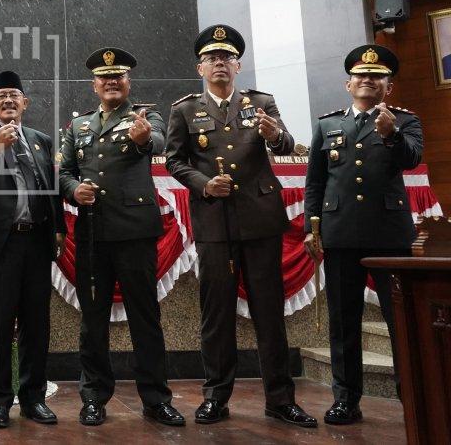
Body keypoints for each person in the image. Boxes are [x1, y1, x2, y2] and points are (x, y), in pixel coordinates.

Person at [164, 25, 316, 428]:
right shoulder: (184, 110)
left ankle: (280, 399)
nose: (220, 63)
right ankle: (216, 396)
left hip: (260, 219)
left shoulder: (261, 102)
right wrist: (203, 184)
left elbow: (285, 145)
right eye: (212, 58)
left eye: (227, 57)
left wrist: (276, 133)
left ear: (238, 65)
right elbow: (174, 161)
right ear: (200, 66)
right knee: (216, 314)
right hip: (214, 221)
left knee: (269, 311)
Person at [59, 48, 184, 427]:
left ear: (128, 82)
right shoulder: (78, 126)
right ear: (94, 85)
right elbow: (64, 171)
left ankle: (155, 399)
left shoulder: (147, 115)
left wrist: (145, 139)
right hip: (93, 234)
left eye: (118, 77)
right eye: (104, 78)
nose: (111, 83)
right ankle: (94, 396)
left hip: (134, 233)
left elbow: (158, 143)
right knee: (92, 320)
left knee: (145, 318)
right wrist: (73, 189)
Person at [303, 45, 423, 425]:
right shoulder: (327, 124)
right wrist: (313, 228)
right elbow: (316, 183)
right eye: (360, 75)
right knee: (343, 321)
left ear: (388, 86)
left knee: (399, 321)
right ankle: (346, 399)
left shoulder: (404, 121)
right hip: (340, 234)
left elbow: (411, 159)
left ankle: (414, 397)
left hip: (389, 235)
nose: (367, 80)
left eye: (377, 76)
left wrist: (390, 136)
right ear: (348, 83)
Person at [0, 70, 66, 428]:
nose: (8, 100)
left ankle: (33, 397)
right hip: (1, 244)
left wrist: (59, 230)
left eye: (14, 95)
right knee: (0, 323)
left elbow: (51, 188)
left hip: (37, 242)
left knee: (37, 323)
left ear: (25, 103)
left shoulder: (40, 139)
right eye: (1, 95)